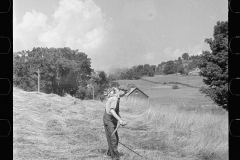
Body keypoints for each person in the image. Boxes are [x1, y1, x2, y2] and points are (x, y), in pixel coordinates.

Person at [103, 85, 128, 160]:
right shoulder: (115, 98)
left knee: (114, 137)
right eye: (125, 92)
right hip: (109, 120)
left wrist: (120, 120)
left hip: (111, 119)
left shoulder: (117, 98)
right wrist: (120, 120)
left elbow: (116, 112)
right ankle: (116, 157)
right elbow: (112, 110)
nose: (125, 94)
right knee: (114, 138)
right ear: (120, 90)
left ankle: (109, 154)